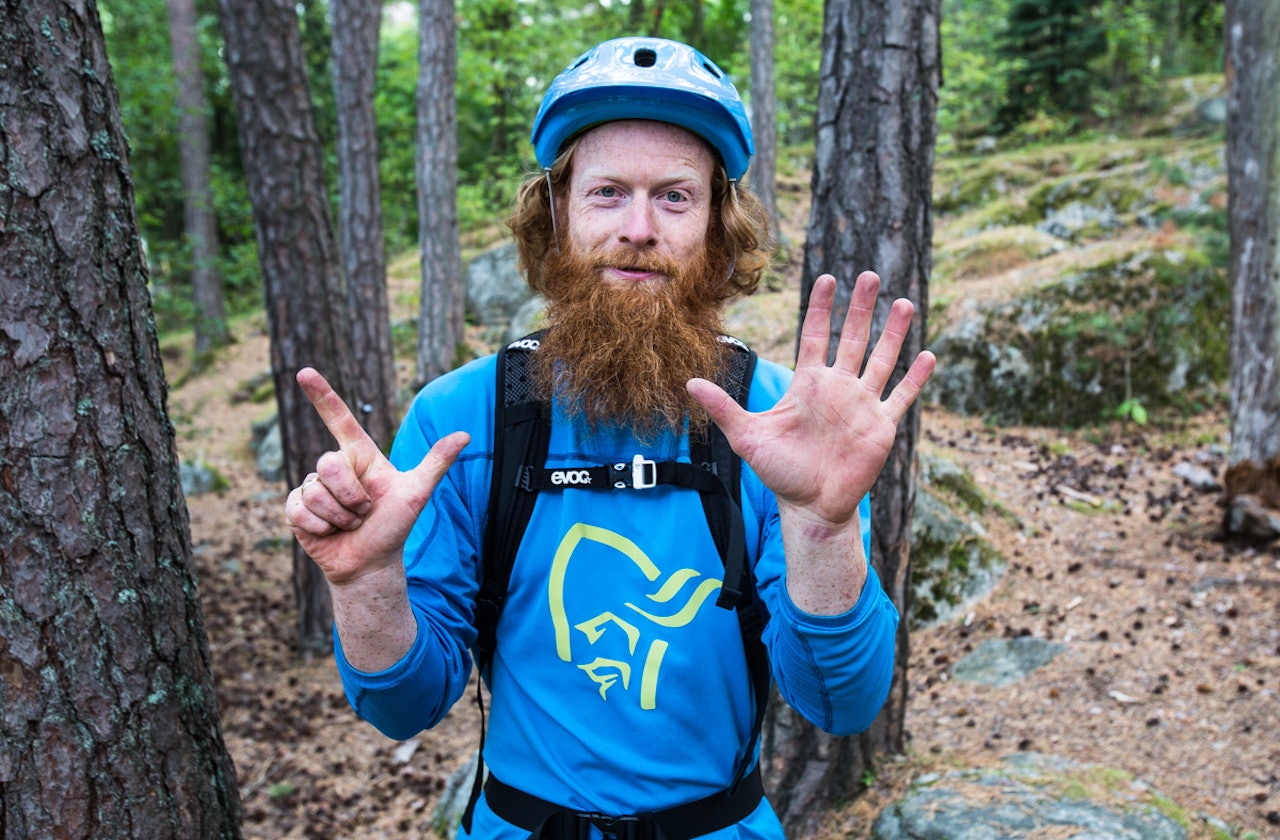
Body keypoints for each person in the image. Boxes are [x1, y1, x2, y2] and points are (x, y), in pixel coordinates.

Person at [285, 36, 936, 840]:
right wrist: (367, 584)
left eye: (674, 196)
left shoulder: (782, 426)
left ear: (718, 228)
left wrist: (824, 528)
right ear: (555, 217)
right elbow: (401, 704)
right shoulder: (466, 419)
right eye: (605, 194)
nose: (638, 229)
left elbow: (843, 703)